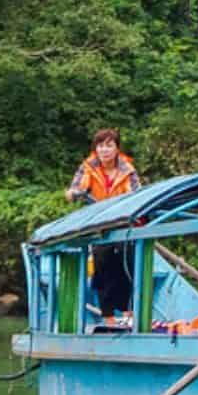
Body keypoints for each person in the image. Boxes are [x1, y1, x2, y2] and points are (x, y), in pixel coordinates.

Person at [65, 128, 141, 319]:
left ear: (117, 148)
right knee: (102, 269)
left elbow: (138, 194)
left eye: (109, 146)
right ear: (95, 149)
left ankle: (129, 314)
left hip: (123, 224)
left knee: (128, 267)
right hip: (99, 225)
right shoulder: (88, 167)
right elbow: (74, 190)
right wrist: (74, 193)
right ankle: (108, 317)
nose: (104, 150)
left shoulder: (128, 170)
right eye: (100, 146)